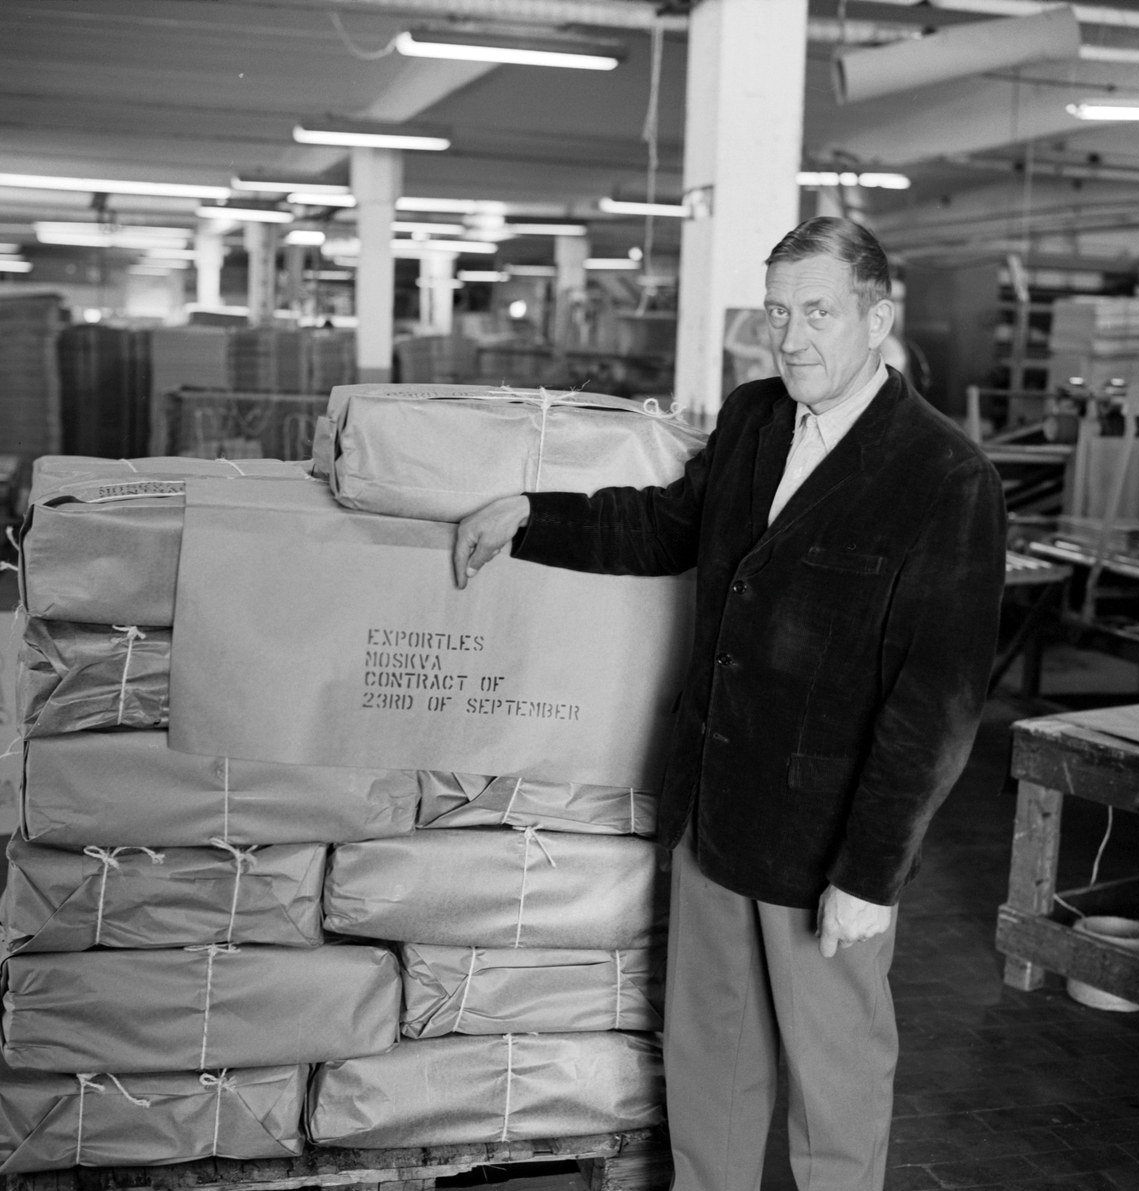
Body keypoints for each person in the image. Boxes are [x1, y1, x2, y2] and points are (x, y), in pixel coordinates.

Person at [453, 217, 1007, 1191]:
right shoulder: (755, 418)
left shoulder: (943, 476)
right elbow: (667, 526)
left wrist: (870, 875)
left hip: (822, 845)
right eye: (778, 313)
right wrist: (532, 515)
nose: (791, 337)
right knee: (712, 1062)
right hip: (714, 813)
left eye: (818, 313)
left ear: (877, 319)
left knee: (834, 1085)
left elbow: (937, 704)